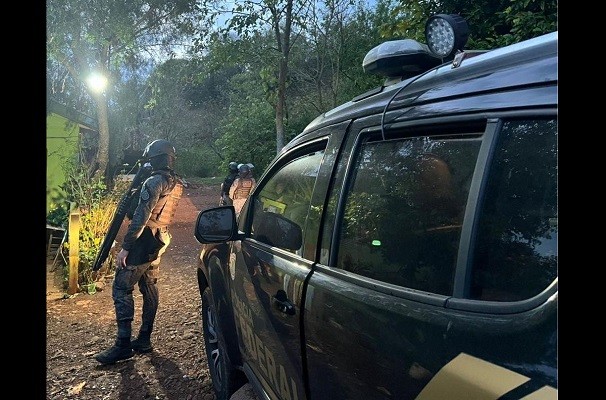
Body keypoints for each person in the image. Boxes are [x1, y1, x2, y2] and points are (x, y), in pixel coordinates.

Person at [95, 139, 183, 365]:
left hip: (145, 241)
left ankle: (123, 344)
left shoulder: (154, 182)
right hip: (161, 238)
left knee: (121, 287)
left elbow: (140, 218)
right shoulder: (175, 182)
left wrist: (126, 247)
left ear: (154, 158)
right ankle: (144, 338)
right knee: (149, 285)